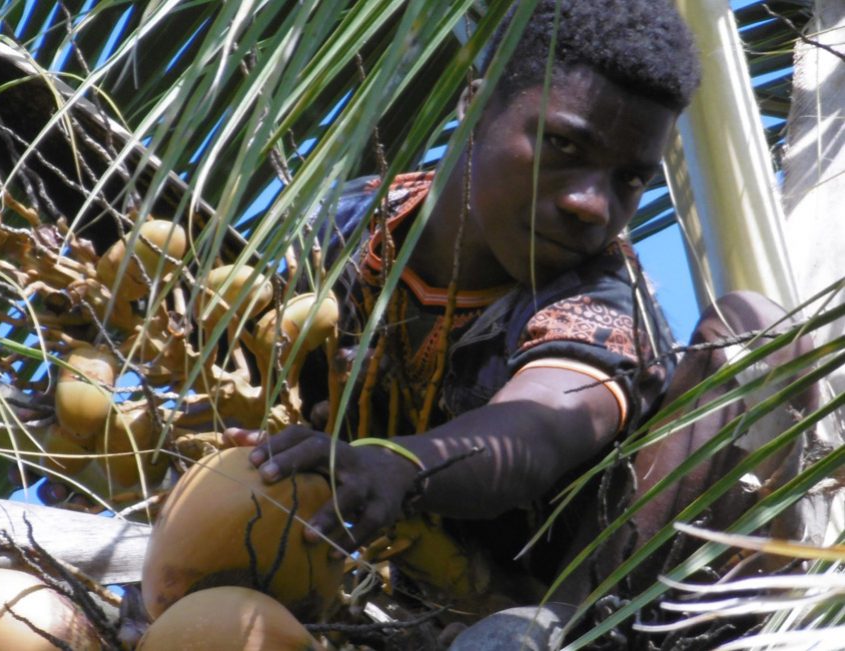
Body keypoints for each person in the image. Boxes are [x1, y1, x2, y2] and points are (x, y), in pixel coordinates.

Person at [229, 1, 815, 648]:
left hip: (579, 605)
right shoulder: (339, 231)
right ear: (475, 104)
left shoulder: (598, 292)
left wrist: (401, 466)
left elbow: (538, 428)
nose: (591, 204)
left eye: (628, 179)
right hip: (354, 601)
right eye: (563, 145)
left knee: (753, 331)